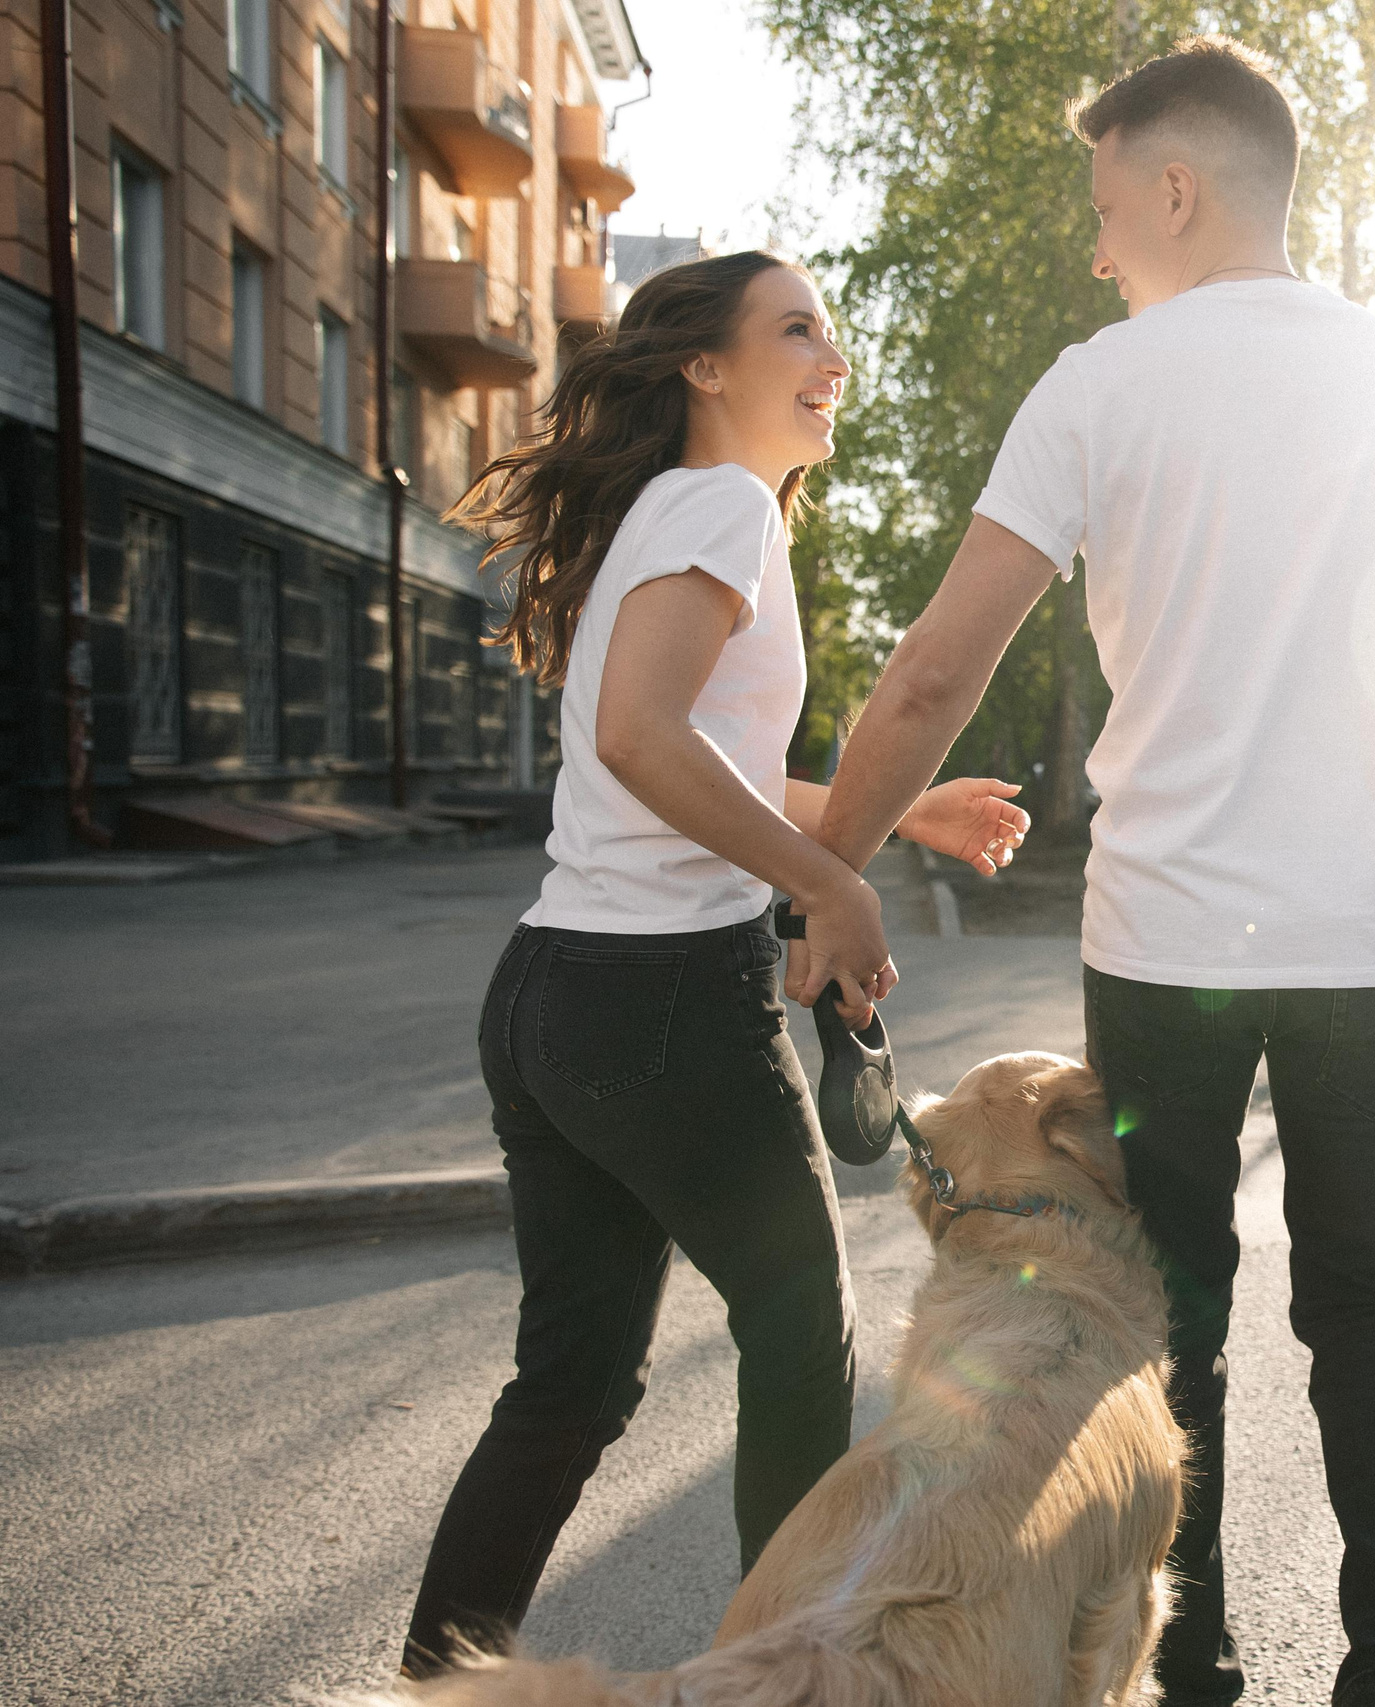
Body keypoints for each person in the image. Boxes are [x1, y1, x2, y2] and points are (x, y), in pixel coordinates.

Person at [798, 40, 1375, 1707]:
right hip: (1366, 941)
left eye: (1102, 210)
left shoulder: (1100, 388)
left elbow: (933, 677)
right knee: (1374, 1309)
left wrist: (823, 875)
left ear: (1177, 187)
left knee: (1168, 1317)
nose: (1095, 250)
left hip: (1167, 947)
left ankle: (1189, 1674)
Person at [399, 251, 1027, 1678]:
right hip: (664, 999)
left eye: (832, 334)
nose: (833, 359)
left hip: (556, 993)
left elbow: (693, 756)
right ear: (703, 365)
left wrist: (891, 814)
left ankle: (432, 1687)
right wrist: (828, 881)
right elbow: (640, 737)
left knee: (568, 1388)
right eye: (797, 330)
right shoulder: (724, 505)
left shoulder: (674, 511)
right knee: (802, 1336)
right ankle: (780, 1686)